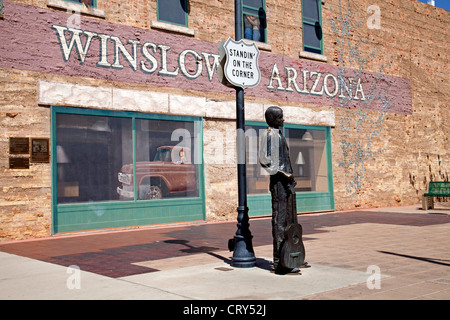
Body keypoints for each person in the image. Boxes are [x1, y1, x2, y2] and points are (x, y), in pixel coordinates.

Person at [259, 106, 306, 274]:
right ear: (272, 120)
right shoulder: (269, 135)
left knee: (290, 219)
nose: (283, 120)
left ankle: (292, 255)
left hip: (287, 182)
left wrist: (290, 176)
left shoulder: (278, 134)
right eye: (280, 117)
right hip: (279, 182)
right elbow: (264, 160)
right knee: (280, 221)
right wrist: (283, 173)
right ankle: (279, 261)